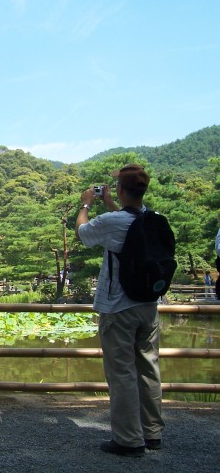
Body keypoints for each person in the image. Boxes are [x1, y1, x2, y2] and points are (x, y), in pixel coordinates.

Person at [75, 164, 165, 457]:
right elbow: (128, 217)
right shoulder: (154, 219)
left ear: (120, 189)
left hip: (118, 307)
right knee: (148, 369)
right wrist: (111, 203)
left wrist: (87, 203)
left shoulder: (111, 222)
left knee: (122, 373)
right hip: (149, 306)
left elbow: (83, 232)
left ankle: (128, 439)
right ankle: (152, 434)